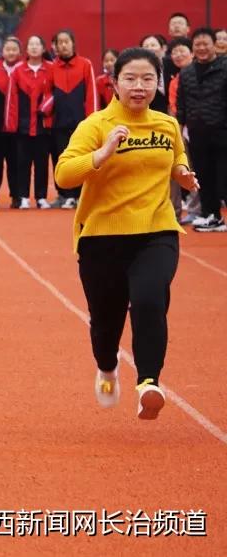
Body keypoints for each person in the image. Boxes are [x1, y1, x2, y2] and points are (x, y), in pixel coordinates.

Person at [55, 47, 198, 420]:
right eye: (131, 79)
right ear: (115, 83)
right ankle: (107, 367)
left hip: (156, 229)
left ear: (158, 83)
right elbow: (63, 175)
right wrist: (99, 156)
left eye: (148, 79)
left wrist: (182, 173)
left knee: (150, 298)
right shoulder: (96, 125)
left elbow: (178, 156)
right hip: (102, 236)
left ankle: (149, 382)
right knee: (106, 320)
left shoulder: (165, 125)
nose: (139, 86)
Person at [175, 27, 227, 232]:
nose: (202, 48)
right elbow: (181, 104)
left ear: (215, 45)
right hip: (197, 133)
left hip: (223, 131)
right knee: (204, 176)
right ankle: (211, 215)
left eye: (206, 44)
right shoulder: (187, 72)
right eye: (197, 45)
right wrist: (179, 129)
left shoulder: (224, 67)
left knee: (223, 176)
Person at [42, 29, 98, 209]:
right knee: (61, 158)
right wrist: (46, 116)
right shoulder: (52, 67)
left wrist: (92, 120)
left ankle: (82, 194)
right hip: (59, 122)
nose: (64, 45)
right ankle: (64, 195)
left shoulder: (85, 64)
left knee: (82, 158)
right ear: (55, 46)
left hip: (81, 122)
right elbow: (47, 93)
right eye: (60, 42)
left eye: (67, 41)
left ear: (73, 44)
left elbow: (92, 94)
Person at [7, 35, 53, 210]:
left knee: (42, 162)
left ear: (43, 48)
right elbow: (12, 98)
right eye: (31, 45)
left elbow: (55, 93)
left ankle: (41, 197)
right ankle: (23, 196)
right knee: (22, 162)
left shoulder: (51, 68)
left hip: (43, 124)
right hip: (23, 124)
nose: (34, 48)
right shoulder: (18, 70)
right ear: (26, 50)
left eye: (37, 44)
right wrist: (12, 124)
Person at [0, 37, 22, 207]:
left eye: (14, 49)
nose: (11, 52)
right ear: (2, 51)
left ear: (20, 52)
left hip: (17, 127)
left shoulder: (22, 70)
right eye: (8, 49)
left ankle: (17, 196)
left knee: (15, 162)